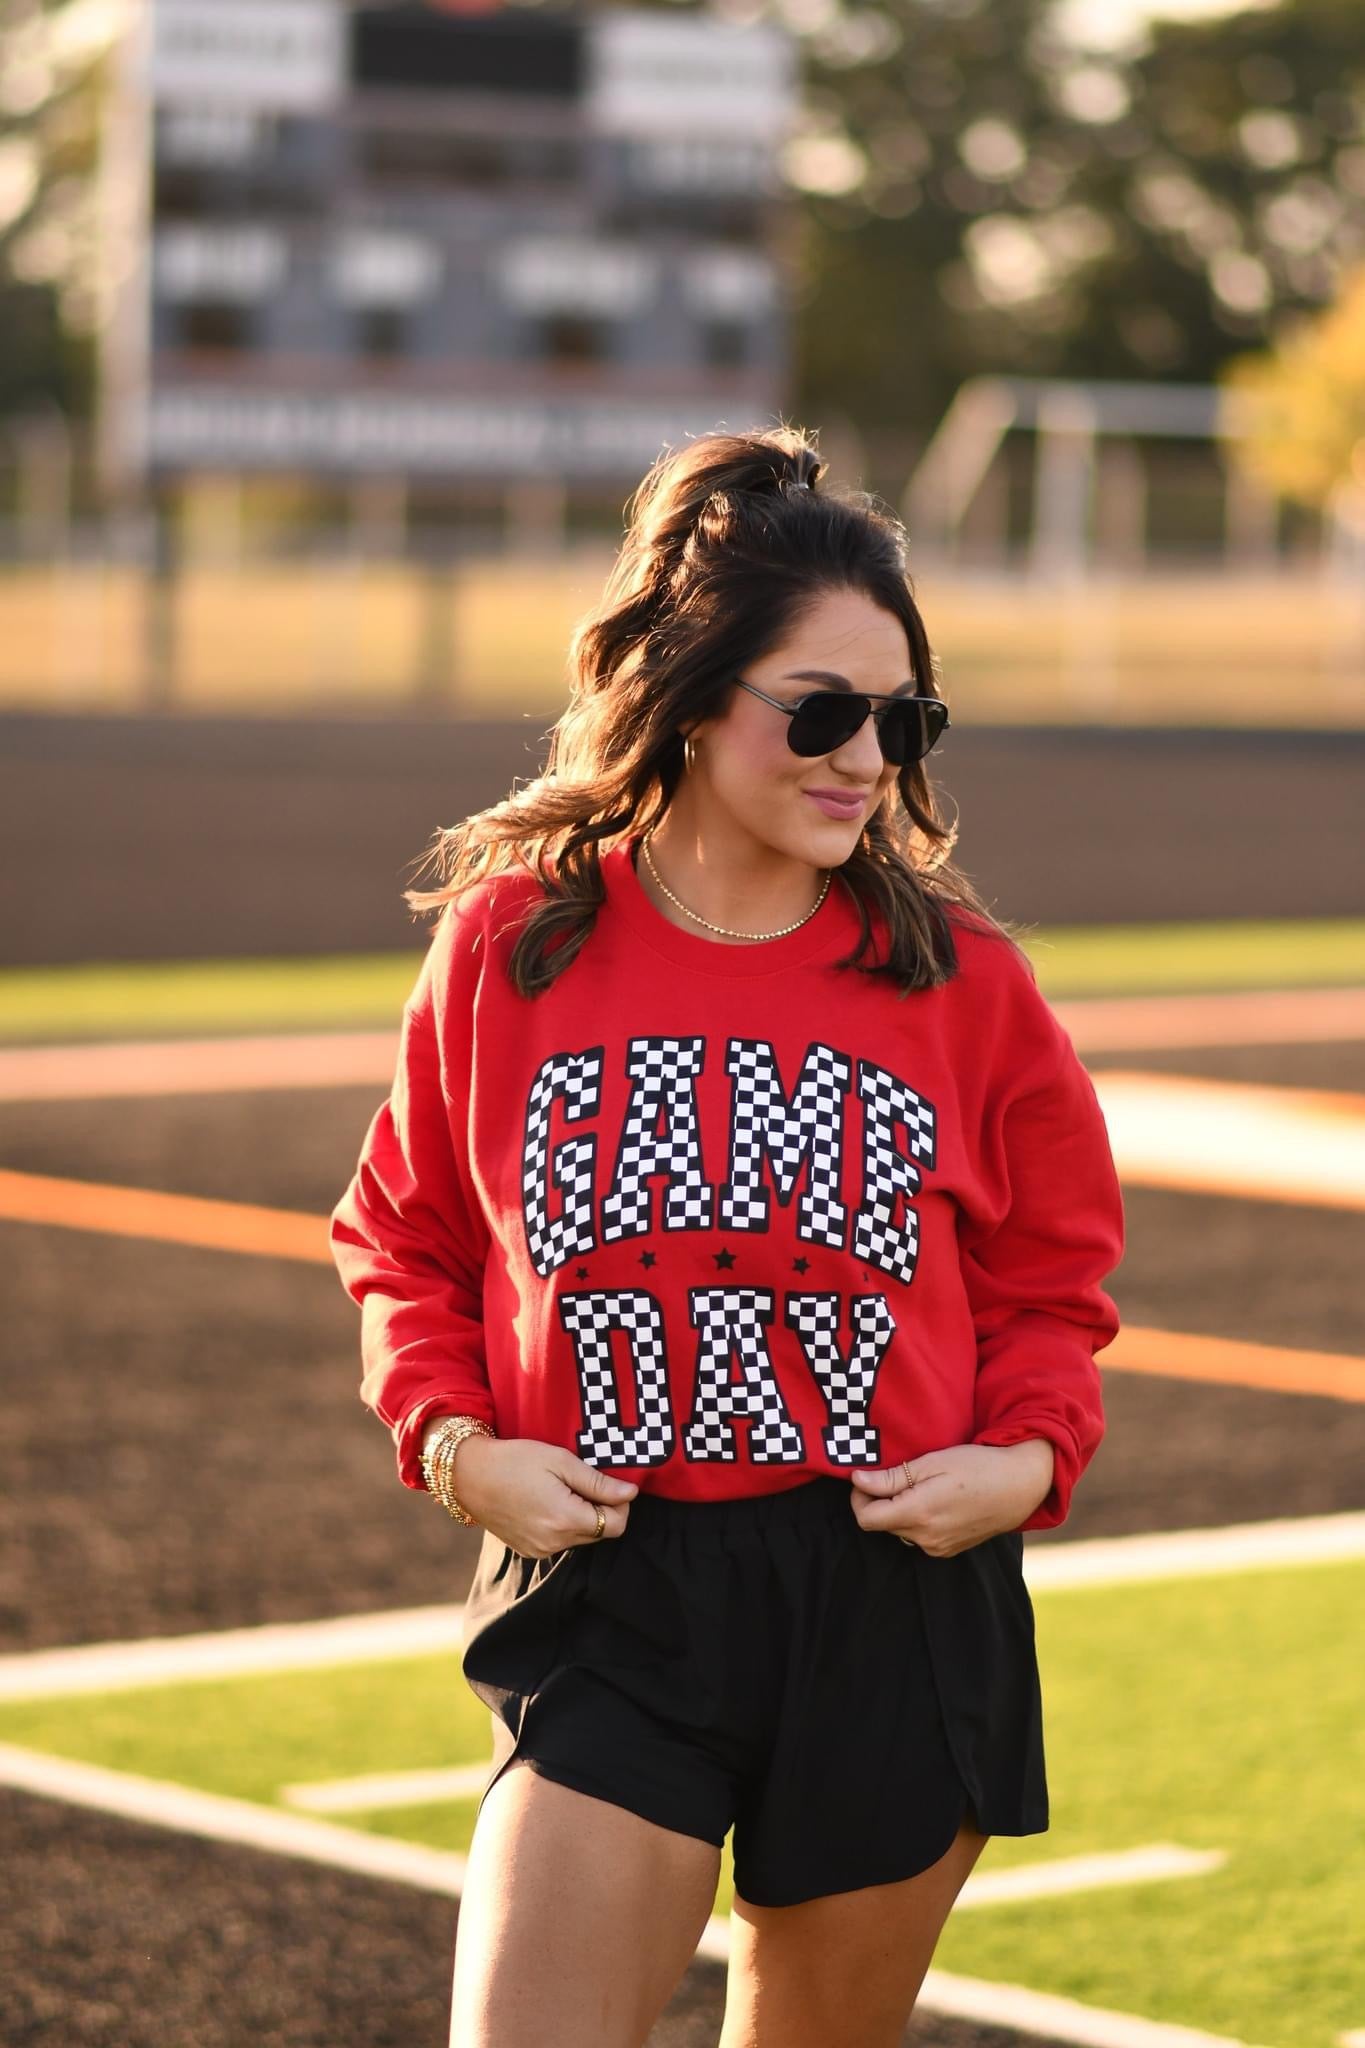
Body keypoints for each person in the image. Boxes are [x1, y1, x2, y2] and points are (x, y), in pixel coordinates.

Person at [329, 425, 1125, 2048]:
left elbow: (1051, 1285)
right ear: (692, 700)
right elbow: (405, 1235)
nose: (864, 759)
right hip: (616, 1590)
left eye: (902, 721)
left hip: (895, 1595)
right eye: (819, 712)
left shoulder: (965, 983)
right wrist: (450, 1444)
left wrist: (1031, 1461)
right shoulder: (514, 947)